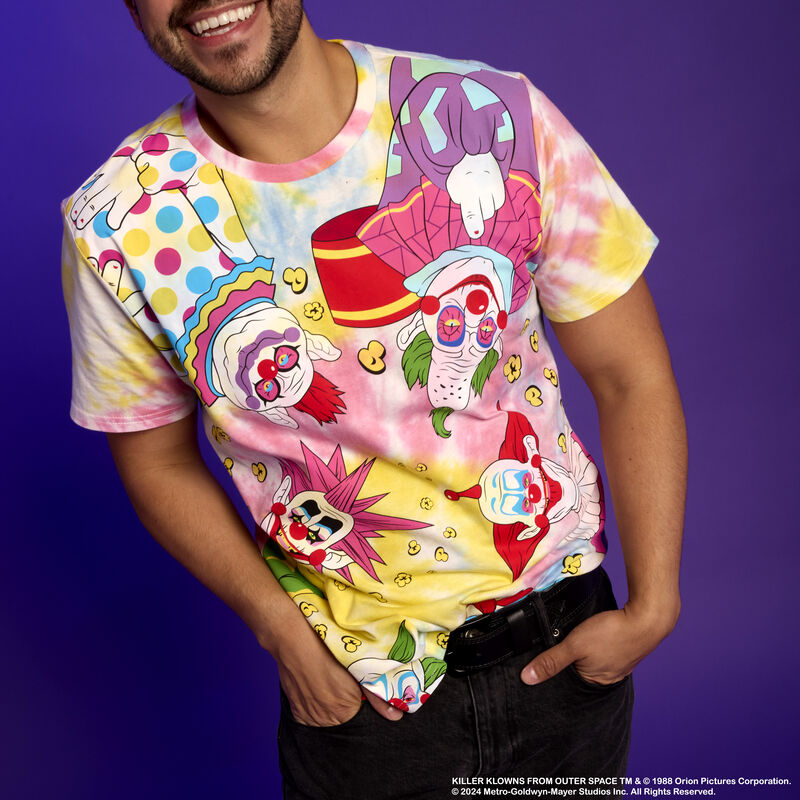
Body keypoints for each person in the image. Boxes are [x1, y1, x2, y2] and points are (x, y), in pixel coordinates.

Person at [61, 1, 686, 795]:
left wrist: (654, 604)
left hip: (564, 649)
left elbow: (630, 374)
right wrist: (280, 631)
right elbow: (156, 464)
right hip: (362, 703)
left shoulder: (491, 119)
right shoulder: (119, 221)